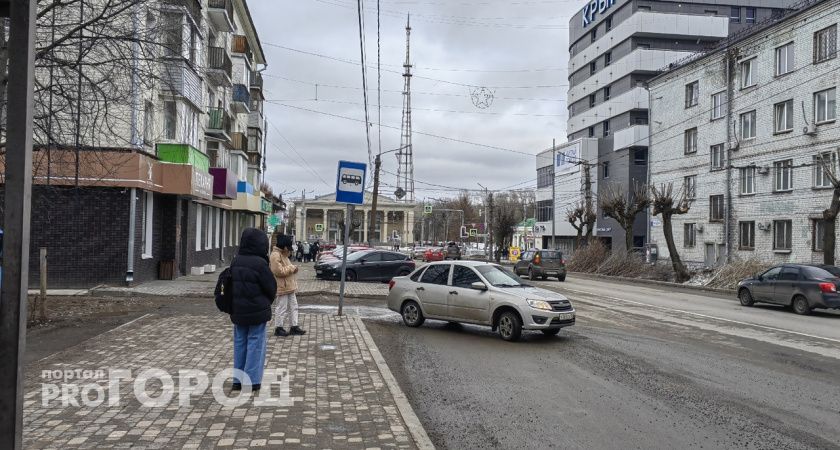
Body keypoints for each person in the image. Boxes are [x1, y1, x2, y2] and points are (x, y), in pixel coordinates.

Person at [229, 228, 276, 391]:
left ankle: (237, 380)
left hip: (238, 311)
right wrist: (266, 302)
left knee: (240, 342)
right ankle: (251, 380)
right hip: (257, 311)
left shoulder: (236, 261)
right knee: (255, 342)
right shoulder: (261, 263)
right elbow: (271, 287)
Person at [271, 234, 305, 337]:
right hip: (282, 286)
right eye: (288, 247)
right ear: (283, 246)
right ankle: (279, 328)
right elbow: (278, 271)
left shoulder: (284, 254)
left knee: (294, 306)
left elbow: (287, 267)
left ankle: (294, 326)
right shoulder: (275, 255)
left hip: (289, 286)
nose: (289, 250)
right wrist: (292, 268)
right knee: (281, 307)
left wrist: (293, 268)